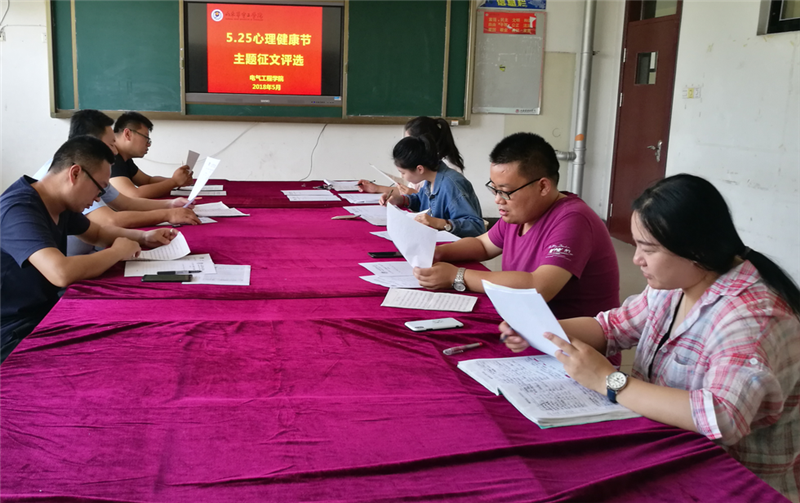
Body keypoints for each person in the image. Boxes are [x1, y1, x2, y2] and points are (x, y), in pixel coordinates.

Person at [500, 174, 800, 502]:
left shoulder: (750, 316)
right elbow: (614, 327)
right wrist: (538, 327)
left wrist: (608, 381)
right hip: (664, 445)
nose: (636, 259)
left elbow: (722, 416)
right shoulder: (676, 283)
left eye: (648, 248)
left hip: (730, 481)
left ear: (695, 249)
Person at [1, 136, 178, 362]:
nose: (97, 198)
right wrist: (116, 252)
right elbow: (61, 272)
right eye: (99, 188)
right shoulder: (19, 209)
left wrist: (143, 237)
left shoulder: (59, 202)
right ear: (75, 173)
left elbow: (97, 233)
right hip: (12, 329)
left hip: (45, 309)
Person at [414, 132, 620, 321]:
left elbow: (539, 287)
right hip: (524, 323)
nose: (498, 199)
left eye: (505, 191)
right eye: (494, 189)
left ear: (543, 186)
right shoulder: (520, 213)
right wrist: (439, 253)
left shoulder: (573, 220)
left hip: (570, 340)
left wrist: (457, 276)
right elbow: (483, 245)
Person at [32, 110, 200, 255]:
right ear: (89, 144)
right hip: (77, 258)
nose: (114, 151)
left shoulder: (92, 171)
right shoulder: (75, 177)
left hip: (88, 251)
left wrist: (170, 205)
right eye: (111, 144)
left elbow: (126, 204)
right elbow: (110, 221)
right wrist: (167, 214)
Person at [378, 135, 484, 238]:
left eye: (403, 172)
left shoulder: (451, 185)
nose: (402, 176)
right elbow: (421, 200)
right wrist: (401, 200)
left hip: (458, 246)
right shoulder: (431, 178)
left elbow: (477, 227)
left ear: (420, 169)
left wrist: (440, 223)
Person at [358, 116, 465, 195]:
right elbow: (408, 192)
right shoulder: (424, 161)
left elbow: (430, 201)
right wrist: (376, 188)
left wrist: (412, 195)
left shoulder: (447, 171)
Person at [110, 111, 194, 198]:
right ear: (128, 134)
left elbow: (148, 180)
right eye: (146, 138)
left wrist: (180, 179)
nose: (148, 144)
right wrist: (174, 182)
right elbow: (134, 194)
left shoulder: (123, 158)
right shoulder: (110, 157)